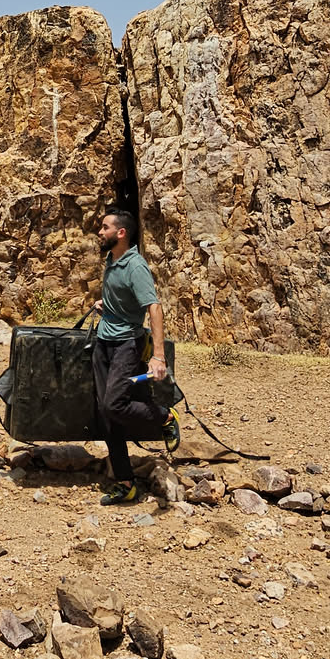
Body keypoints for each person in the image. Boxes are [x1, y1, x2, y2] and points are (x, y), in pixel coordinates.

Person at [92, 208, 179, 504]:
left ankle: (165, 416)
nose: (99, 231)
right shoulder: (111, 259)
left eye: (105, 227)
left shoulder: (135, 265)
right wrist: (107, 305)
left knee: (114, 404)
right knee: (107, 414)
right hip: (103, 342)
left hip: (126, 345)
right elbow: (124, 299)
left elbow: (153, 307)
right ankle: (125, 483)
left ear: (121, 233)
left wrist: (158, 357)